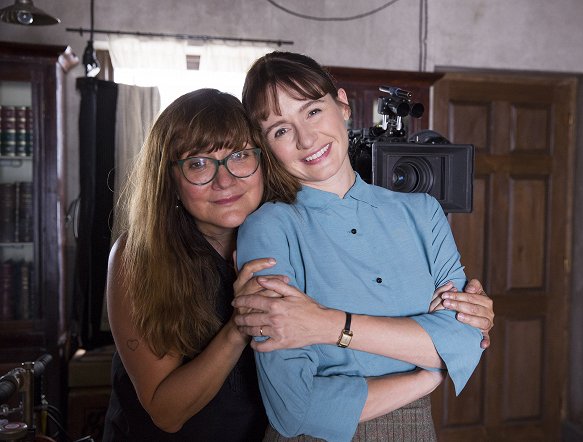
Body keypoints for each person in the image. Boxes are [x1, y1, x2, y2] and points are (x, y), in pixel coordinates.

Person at [102, 88, 493, 440]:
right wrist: (241, 327)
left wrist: (467, 314)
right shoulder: (138, 256)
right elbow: (166, 412)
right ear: (170, 178)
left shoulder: (285, 233)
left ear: (263, 161)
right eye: (199, 164)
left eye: (239, 156)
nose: (225, 181)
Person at [235, 51, 487, 442]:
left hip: (414, 432)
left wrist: (328, 325)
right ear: (266, 146)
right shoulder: (268, 229)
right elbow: (293, 409)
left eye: (313, 112)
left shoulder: (423, 213)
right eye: (280, 130)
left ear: (342, 105)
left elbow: (466, 342)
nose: (306, 138)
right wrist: (427, 374)